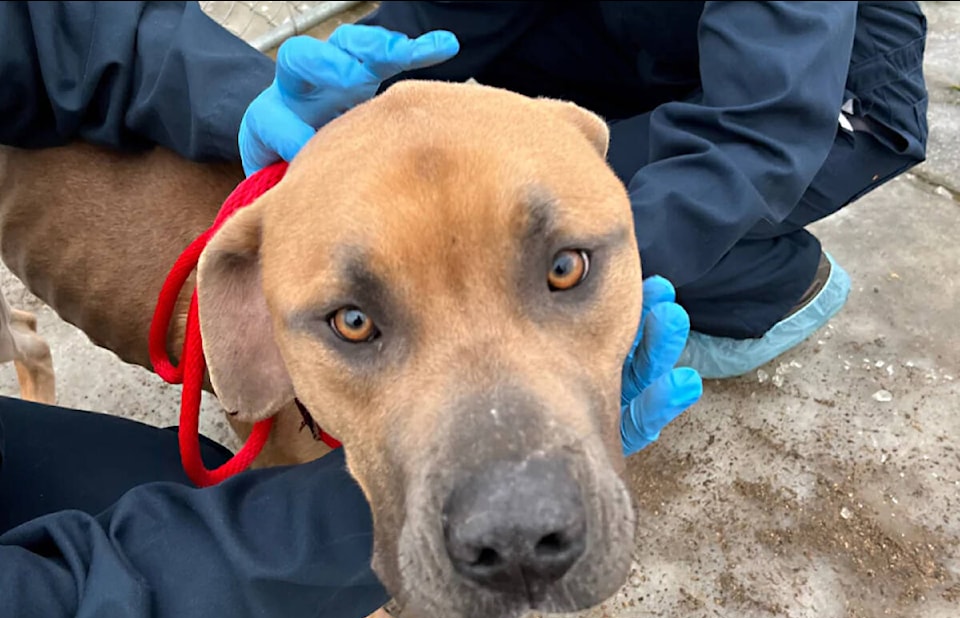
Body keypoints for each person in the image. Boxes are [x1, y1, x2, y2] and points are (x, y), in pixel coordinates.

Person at [0, 2, 701, 618]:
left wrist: (219, 94)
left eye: (563, 271)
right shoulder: (270, 292)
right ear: (243, 312)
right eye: (357, 323)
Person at [242, 1, 929, 380]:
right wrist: (361, 68)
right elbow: (456, 12)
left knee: (546, 220)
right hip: (652, 43)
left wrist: (567, 275)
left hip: (829, 91)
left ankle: (776, 287)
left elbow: (760, 127)